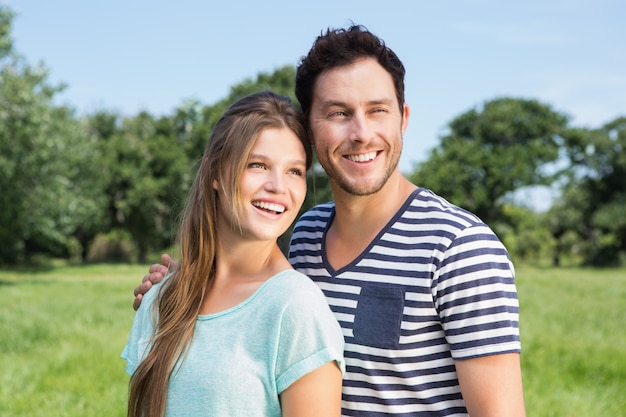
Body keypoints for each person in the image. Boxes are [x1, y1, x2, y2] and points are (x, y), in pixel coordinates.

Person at [134, 26, 526, 416]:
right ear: (310, 128)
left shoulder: (460, 247)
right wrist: (182, 288)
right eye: (339, 113)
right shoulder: (305, 234)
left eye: (378, 111)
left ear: (403, 119)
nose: (361, 133)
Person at [122, 90, 344, 417]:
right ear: (214, 173)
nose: (278, 186)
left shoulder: (295, 307)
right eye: (257, 165)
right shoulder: (160, 298)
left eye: (294, 171)